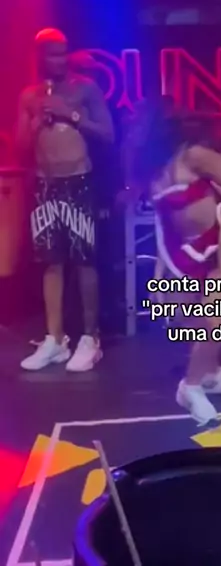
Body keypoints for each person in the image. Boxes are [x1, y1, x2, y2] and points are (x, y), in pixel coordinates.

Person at [137, 110, 221, 425]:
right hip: (185, 252)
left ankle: (191, 386)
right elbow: (165, 226)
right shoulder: (155, 174)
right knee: (186, 319)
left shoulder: (194, 155)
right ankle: (209, 371)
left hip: (219, 240)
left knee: (218, 311)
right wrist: (161, 270)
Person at [17, 29, 114, 371]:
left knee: (84, 260)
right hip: (45, 185)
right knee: (51, 262)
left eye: (63, 53)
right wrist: (36, 121)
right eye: (52, 54)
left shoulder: (85, 89)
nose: (59, 60)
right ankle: (55, 339)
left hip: (79, 182)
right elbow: (20, 146)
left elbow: (108, 133)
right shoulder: (29, 95)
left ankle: (90, 338)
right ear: (40, 56)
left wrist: (70, 114)